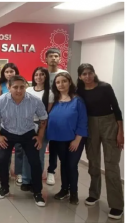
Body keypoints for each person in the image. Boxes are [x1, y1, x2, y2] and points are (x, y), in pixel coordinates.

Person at [0, 75, 47, 207]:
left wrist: (40, 136)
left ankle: (37, 192)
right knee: (2, 160)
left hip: (28, 133)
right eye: (15, 87)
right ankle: (4, 188)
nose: (19, 90)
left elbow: (43, 118)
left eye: (22, 87)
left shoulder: (35, 100)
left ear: (26, 87)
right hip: (7, 133)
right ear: (9, 87)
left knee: (35, 162)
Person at [76, 63, 124, 219]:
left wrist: (120, 132)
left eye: (90, 73)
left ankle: (117, 204)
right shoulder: (80, 91)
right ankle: (94, 194)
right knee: (93, 162)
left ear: (94, 73)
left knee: (111, 165)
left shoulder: (105, 87)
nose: (88, 76)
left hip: (109, 124)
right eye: (84, 74)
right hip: (90, 125)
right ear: (80, 76)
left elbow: (116, 109)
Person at [47, 72, 88, 205]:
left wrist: (77, 140)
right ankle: (64, 189)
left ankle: (74, 193)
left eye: (64, 81)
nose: (61, 84)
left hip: (74, 140)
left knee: (71, 165)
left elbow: (83, 122)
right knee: (63, 165)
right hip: (58, 139)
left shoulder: (78, 100)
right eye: (58, 82)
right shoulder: (55, 101)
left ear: (70, 82)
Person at [21, 67, 54, 191]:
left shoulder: (49, 93)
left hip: (41, 124)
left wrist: (41, 127)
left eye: (42, 75)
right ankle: (26, 179)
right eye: (36, 75)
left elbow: (47, 112)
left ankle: (36, 180)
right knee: (26, 153)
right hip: (27, 125)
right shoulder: (28, 90)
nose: (39, 77)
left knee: (39, 154)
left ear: (46, 77)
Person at [0, 63, 24, 184]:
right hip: (5, 121)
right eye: (7, 72)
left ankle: (19, 173)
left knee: (19, 149)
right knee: (5, 148)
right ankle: (4, 172)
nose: (9, 74)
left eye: (11, 71)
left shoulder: (20, 85)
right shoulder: (1, 86)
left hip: (19, 120)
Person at [45, 48, 68, 185]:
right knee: (39, 144)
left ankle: (51, 172)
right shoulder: (42, 73)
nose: (53, 58)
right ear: (46, 59)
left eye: (56, 56)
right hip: (42, 112)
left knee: (54, 145)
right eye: (51, 56)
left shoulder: (64, 74)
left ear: (59, 59)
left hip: (57, 112)